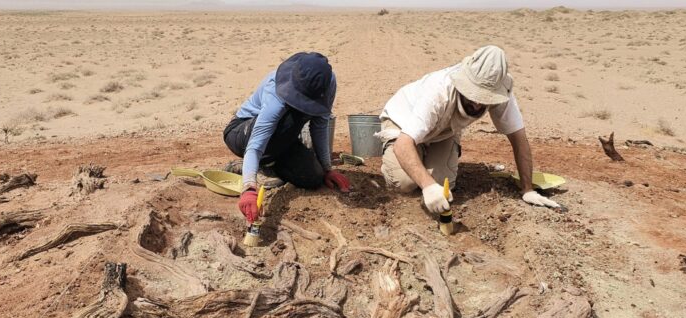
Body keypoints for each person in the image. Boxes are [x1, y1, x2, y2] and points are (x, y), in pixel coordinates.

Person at [378, 45, 560, 213]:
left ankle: (423, 155)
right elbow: (403, 144)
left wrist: (527, 189)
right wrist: (427, 186)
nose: (477, 102)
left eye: (485, 97)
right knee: (405, 184)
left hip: (443, 131)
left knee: (444, 186)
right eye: (473, 93)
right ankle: (398, 155)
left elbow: (519, 138)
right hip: (402, 122)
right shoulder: (438, 92)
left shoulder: (501, 92)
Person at [223, 52, 350, 223]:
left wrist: (327, 169)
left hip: (282, 140)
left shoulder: (326, 84)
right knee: (289, 119)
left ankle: (270, 165)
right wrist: (248, 189)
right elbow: (256, 145)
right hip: (242, 133)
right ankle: (250, 167)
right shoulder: (275, 90)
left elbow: (320, 126)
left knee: (313, 178)